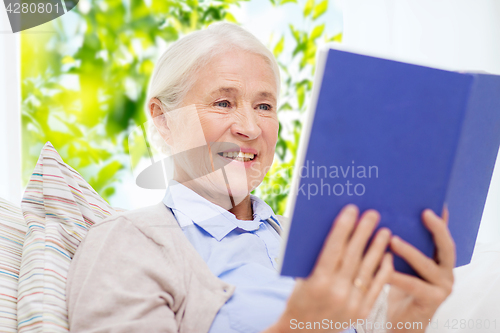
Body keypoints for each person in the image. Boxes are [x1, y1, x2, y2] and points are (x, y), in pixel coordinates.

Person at [66, 22, 455, 333]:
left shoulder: (320, 239)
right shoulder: (130, 241)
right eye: (223, 102)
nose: (250, 128)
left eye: (264, 105)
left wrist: (409, 318)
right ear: (163, 120)